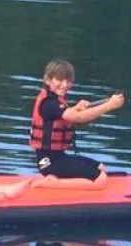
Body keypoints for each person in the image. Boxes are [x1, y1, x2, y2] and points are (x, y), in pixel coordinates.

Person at [31, 59, 125, 189]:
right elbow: (78, 118)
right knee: (100, 179)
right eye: (60, 80)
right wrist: (109, 106)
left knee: (101, 168)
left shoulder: (56, 100)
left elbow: (72, 115)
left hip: (59, 157)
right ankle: (54, 183)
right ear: (47, 80)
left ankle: (56, 179)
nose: (64, 85)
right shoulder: (49, 103)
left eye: (68, 81)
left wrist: (77, 107)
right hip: (48, 163)